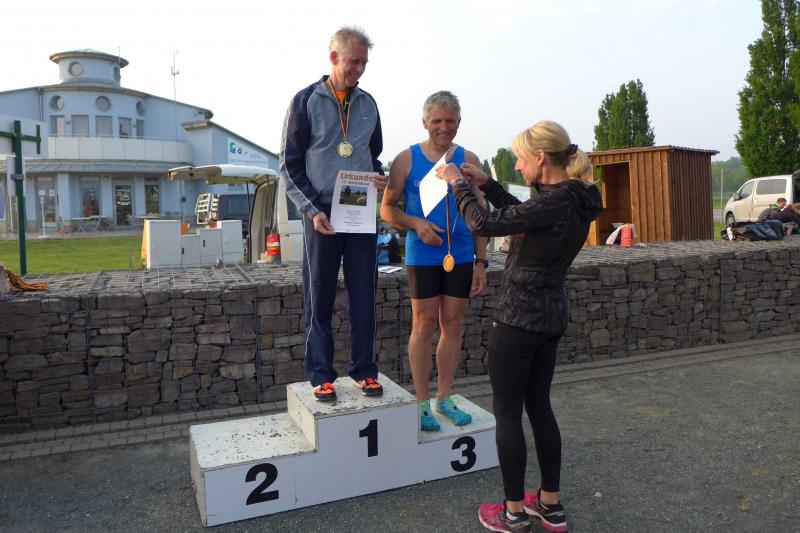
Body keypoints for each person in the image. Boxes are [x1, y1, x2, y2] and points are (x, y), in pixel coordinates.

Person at [436, 120, 602, 533]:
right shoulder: (574, 199)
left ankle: (512, 513)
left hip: (518, 319)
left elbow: (483, 224)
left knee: (507, 412)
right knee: (539, 406)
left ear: (541, 158)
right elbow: (523, 216)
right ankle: (550, 505)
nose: (517, 164)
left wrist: (458, 183)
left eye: (521, 158)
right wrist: (488, 184)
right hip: (549, 317)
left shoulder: (556, 200)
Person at [279, 26, 388, 402]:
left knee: (364, 293)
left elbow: (373, 155)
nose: (359, 69)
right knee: (319, 294)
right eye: (354, 61)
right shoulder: (305, 100)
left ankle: (364, 370)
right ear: (333, 57)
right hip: (321, 210)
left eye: (364, 62)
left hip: (358, 205)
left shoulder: (369, 104)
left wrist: (378, 178)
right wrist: (311, 209)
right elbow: (289, 164)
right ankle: (320, 374)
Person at [380, 91, 487, 431]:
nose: (444, 127)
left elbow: (480, 214)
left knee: (453, 324)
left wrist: (481, 261)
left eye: (450, 121)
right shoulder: (406, 159)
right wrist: (416, 223)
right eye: (437, 121)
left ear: (459, 122)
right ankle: (422, 401)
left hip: (461, 253)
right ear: (425, 122)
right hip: (423, 254)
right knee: (424, 324)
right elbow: (387, 209)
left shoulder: (469, 159)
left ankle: (444, 397)